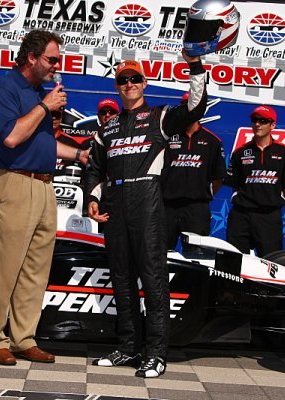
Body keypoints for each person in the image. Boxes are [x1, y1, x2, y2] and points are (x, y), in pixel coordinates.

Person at [84, 52, 207, 378]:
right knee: (121, 281)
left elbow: (196, 107)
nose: (129, 84)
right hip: (115, 206)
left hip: (148, 202)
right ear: (117, 86)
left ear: (144, 83)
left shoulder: (160, 116)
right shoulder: (106, 129)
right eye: (123, 80)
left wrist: (195, 66)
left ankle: (155, 353)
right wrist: (93, 199)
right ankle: (127, 347)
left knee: (153, 281)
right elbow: (94, 169)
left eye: (135, 79)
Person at [0, 30, 89, 366]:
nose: (57, 65)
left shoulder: (37, 92)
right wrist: (45, 106)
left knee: (35, 269)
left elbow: (42, 144)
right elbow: (13, 137)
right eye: (51, 59)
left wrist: (79, 156)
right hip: (14, 183)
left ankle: (23, 338)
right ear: (31, 57)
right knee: (6, 267)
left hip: (44, 185)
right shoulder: (5, 89)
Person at [225, 105, 285, 257]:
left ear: (273, 125)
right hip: (241, 215)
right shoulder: (240, 152)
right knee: (234, 262)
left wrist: (276, 199)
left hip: (269, 216)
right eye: (255, 120)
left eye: (263, 121)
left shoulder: (284, 152)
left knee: (272, 263)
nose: (258, 124)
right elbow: (234, 183)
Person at [161, 92, 226, 251]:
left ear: (201, 109)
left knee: (197, 256)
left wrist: (200, 194)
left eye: (193, 106)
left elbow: (218, 177)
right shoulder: (166, 138)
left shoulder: (213, 141)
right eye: (185, 106)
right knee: (159, 253)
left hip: (197, 208)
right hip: (167, 206)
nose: (189, 110)